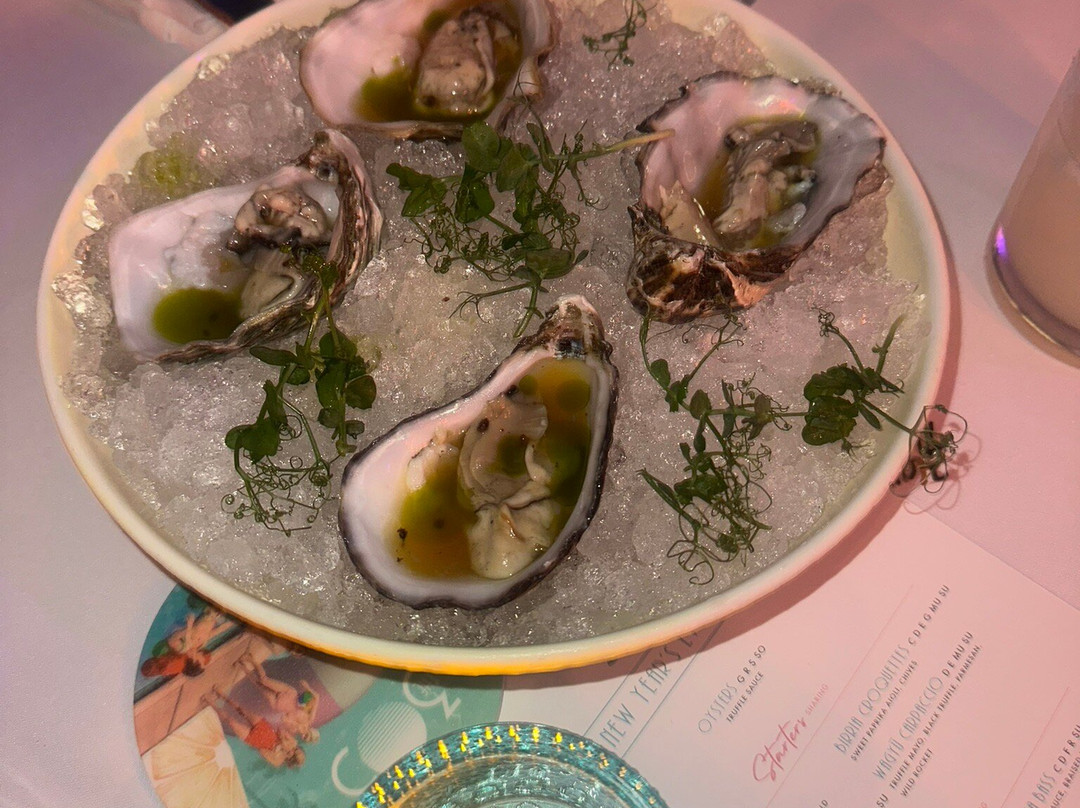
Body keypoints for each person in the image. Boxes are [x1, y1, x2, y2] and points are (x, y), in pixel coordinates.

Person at [202, 687, 305, 769]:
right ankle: (221, 694)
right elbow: (281, 730)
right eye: (296, 750)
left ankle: (209, 702)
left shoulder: (277, 761)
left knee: (230, 721)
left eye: (294, 753)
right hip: (265, 728)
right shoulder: (292, 743)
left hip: (254, 739)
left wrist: (279, 749)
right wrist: (282, 740)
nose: (293, 749)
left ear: (290, 759)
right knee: (241, 710)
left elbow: (262, 751)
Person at [238, 652, 320, 743]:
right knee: (264, 680)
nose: (303, 735)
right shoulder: (310, 718)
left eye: (304, 738)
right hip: (289, 695)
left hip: (278, 705)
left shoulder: (293, 730)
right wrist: (308, 688)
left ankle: (243, 667)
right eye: (307, 735)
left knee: (258, 686)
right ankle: (250, 658)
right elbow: (317, 697)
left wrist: (291, 723)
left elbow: (283, 718)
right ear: (311, 731)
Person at [140, 606, 221, 678]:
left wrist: (190, 627)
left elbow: (183, 636)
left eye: (202, 661)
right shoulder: (191, 648)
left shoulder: (182, 649)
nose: (202, 658)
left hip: (177, 631)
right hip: (178, 632)